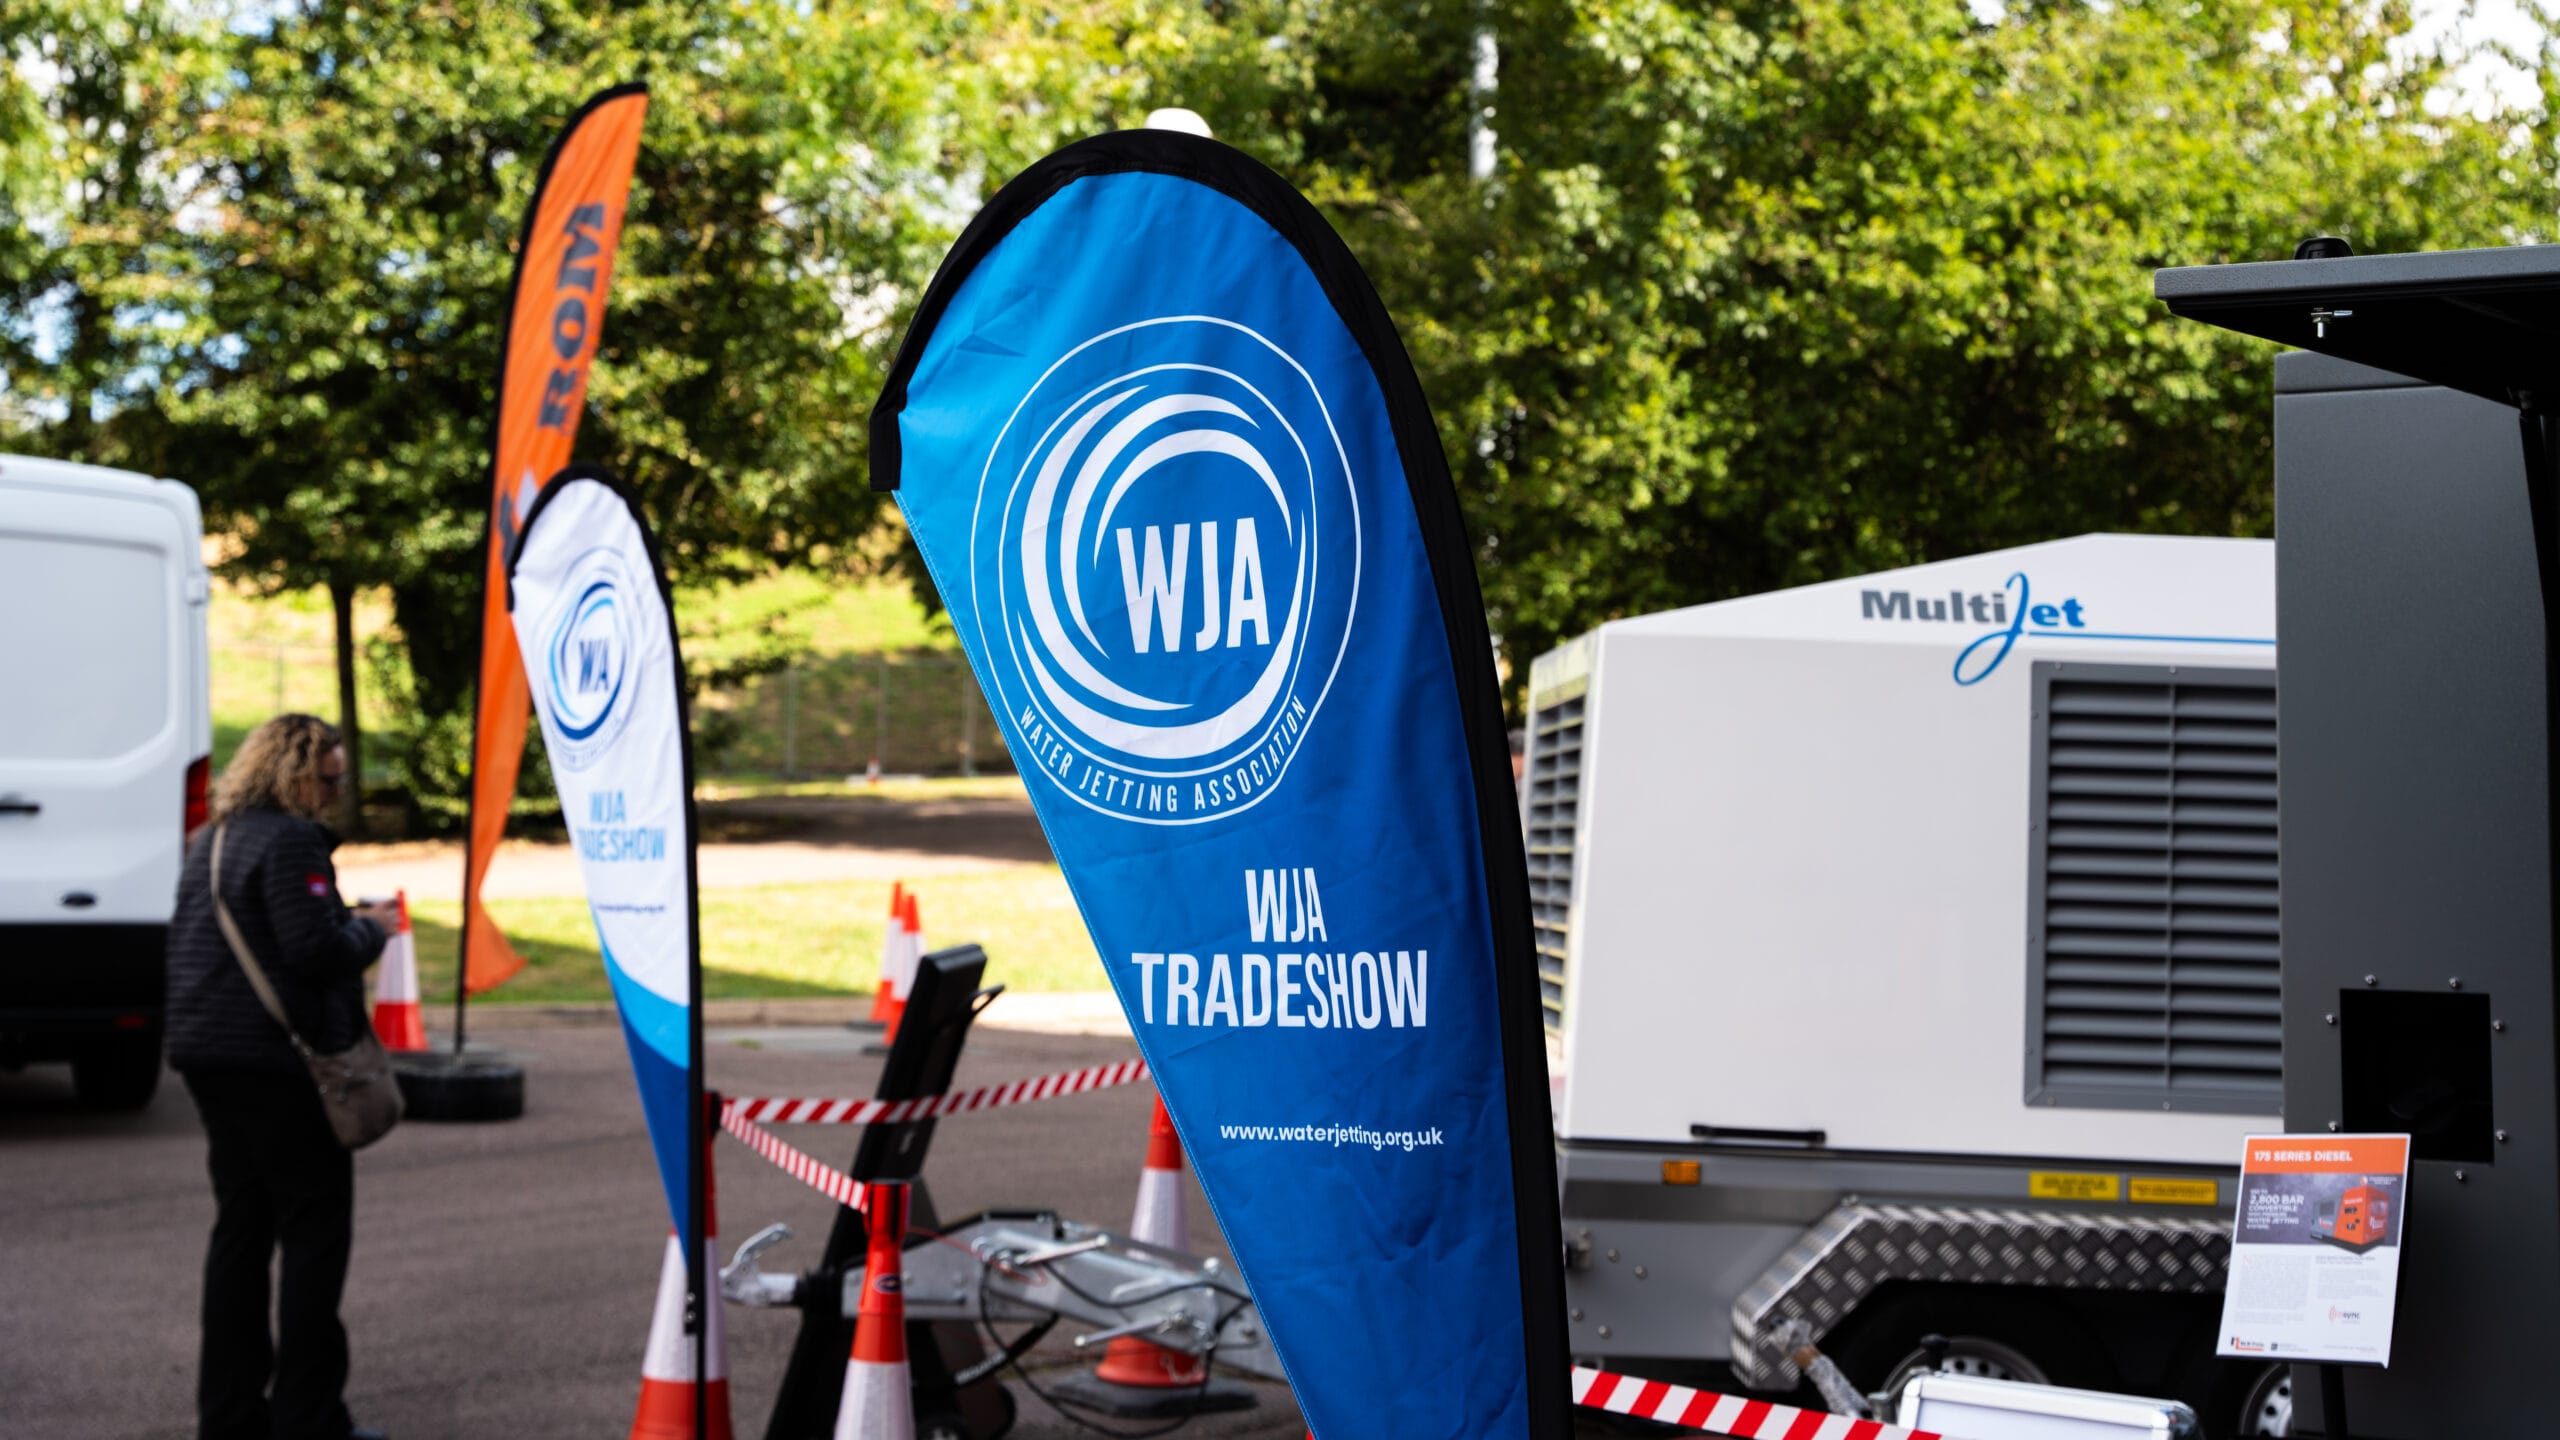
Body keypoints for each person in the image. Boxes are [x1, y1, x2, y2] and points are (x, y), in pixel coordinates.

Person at [165, 714, 399, 1440]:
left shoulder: (213, 839)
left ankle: (230, 1415)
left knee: (240, 1233)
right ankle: (309, 1417)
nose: (335, 794)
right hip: (280, 1063)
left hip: (209, 1053)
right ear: (295, 774)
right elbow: (312, 951)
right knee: (313, 1238)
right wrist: (372, 929)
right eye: (328, 780)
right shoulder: (292, 840)